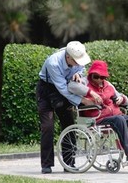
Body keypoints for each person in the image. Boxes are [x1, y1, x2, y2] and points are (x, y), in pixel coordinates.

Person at [68, 60, 128, 167]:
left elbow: (126, 101)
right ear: (90, 74)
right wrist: (90, 92)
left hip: (116, 116)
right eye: (96, 76)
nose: (99, 80)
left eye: (102, 77)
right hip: (97, 118)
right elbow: (71, 87)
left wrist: (122, 98)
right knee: (118, 119)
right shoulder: (84, 82)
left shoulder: (108, 85)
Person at [36, 41, 102, 174]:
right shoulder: (53, 63)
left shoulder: (75, 56)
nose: (79, 63)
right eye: (76, 61)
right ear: (68, 58)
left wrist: (77, 73)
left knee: (69, 125)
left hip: (63, 87)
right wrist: (83, 100)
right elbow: (63, 90)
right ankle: (46, 164)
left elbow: (81, 68)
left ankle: (69, 163)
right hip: (46, 90)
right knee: (47, 127)